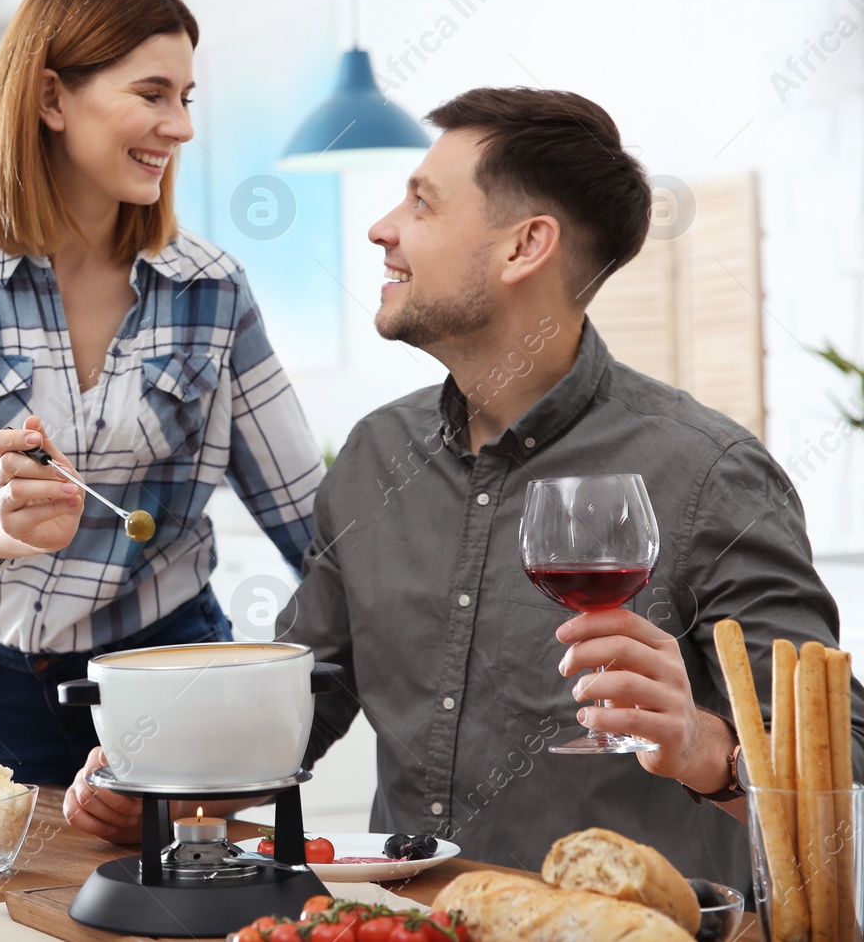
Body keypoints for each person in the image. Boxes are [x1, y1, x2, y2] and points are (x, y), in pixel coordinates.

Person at [64, 86, 864, 883]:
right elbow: (303, 698)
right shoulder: (377, 455)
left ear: (524, 247)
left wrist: (706, 750)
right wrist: (166, 787)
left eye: (422, 202)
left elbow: (846, 764)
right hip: (391, 929)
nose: (382, 228)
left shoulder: (710, 471)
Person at [0, 0, 324, 786]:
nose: (181, 126)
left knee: (176, 900)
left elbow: (307, 515)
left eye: (187, 99)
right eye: (152, 94)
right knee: (22, 903)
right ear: (51, 98)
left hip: (168, 666)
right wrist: (8, 519)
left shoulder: (210, 288)